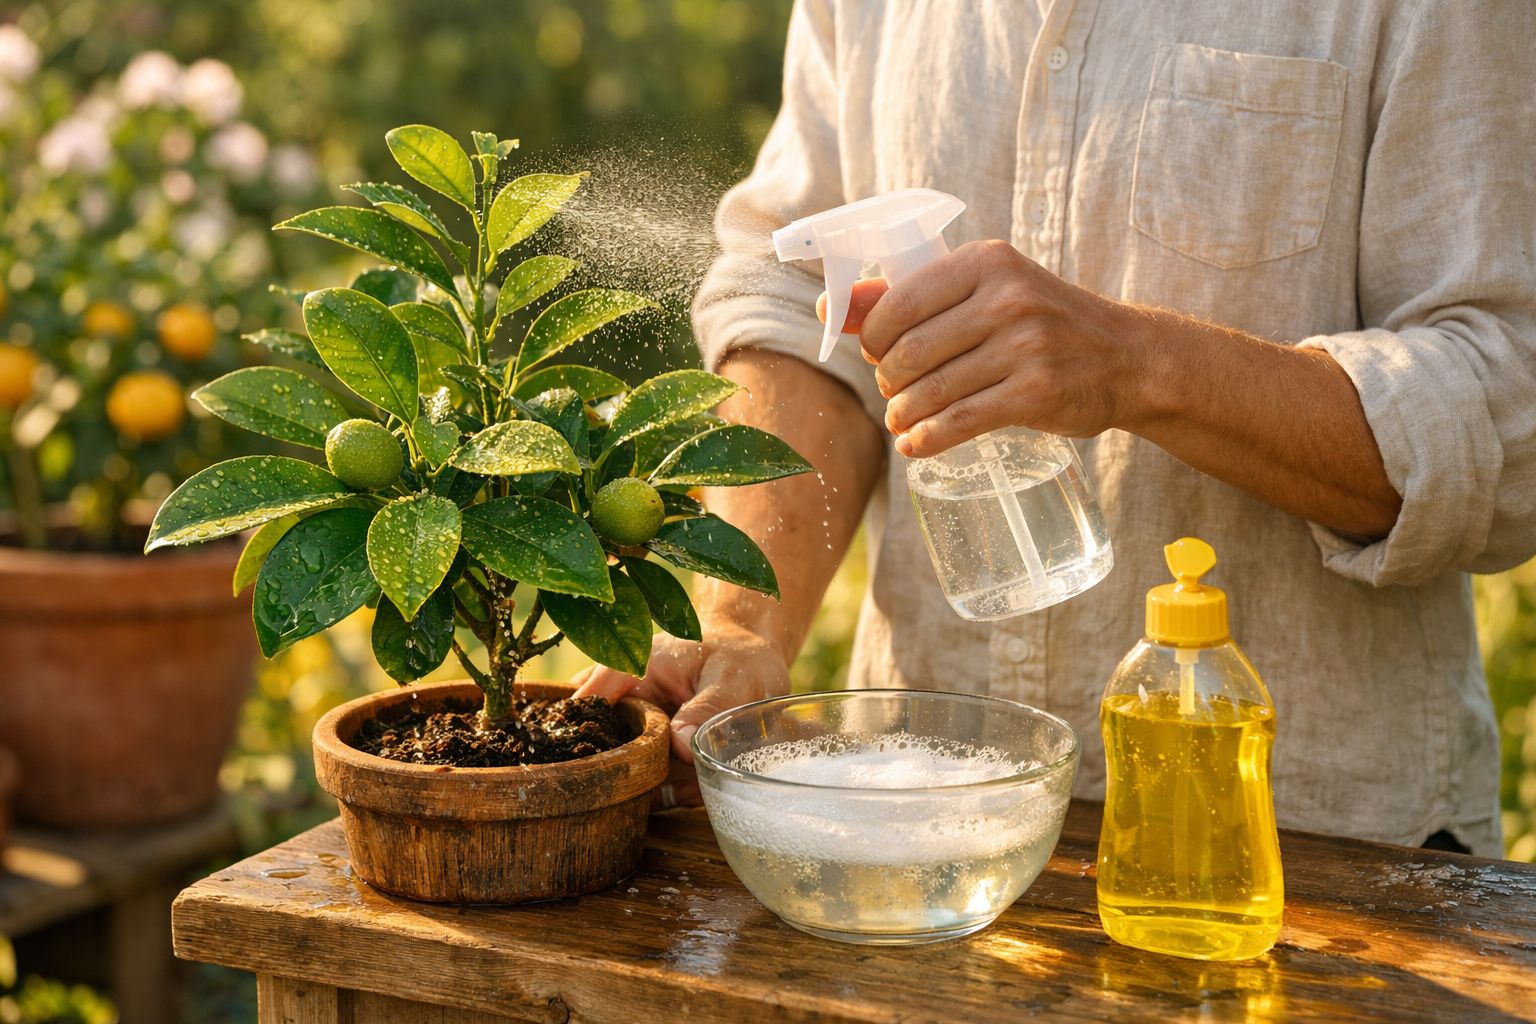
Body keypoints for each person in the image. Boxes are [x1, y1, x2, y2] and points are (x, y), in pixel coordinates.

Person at [577, 0, 1536, 856]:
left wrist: (1137, 364)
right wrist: (743, 621)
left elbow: (1511, 415)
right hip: (918, 824)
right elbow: (800, 308)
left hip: (1313, 855)